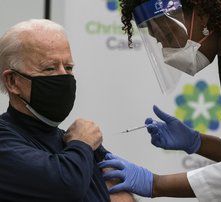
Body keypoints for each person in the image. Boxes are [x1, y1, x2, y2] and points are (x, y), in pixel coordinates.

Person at [98, 0, 221, 201]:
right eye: (160, 41)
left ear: (203, 15)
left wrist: (155, 184)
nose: (167, 52)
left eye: (169, 36)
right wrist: (196, 142)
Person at [0, 19, 136, 202]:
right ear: (12, 81)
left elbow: (122, 196)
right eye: (49, 68)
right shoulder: (6, 140)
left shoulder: (72, 141)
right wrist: (82, 144)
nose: (64, 77)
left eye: (69, 67)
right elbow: (65, 188)